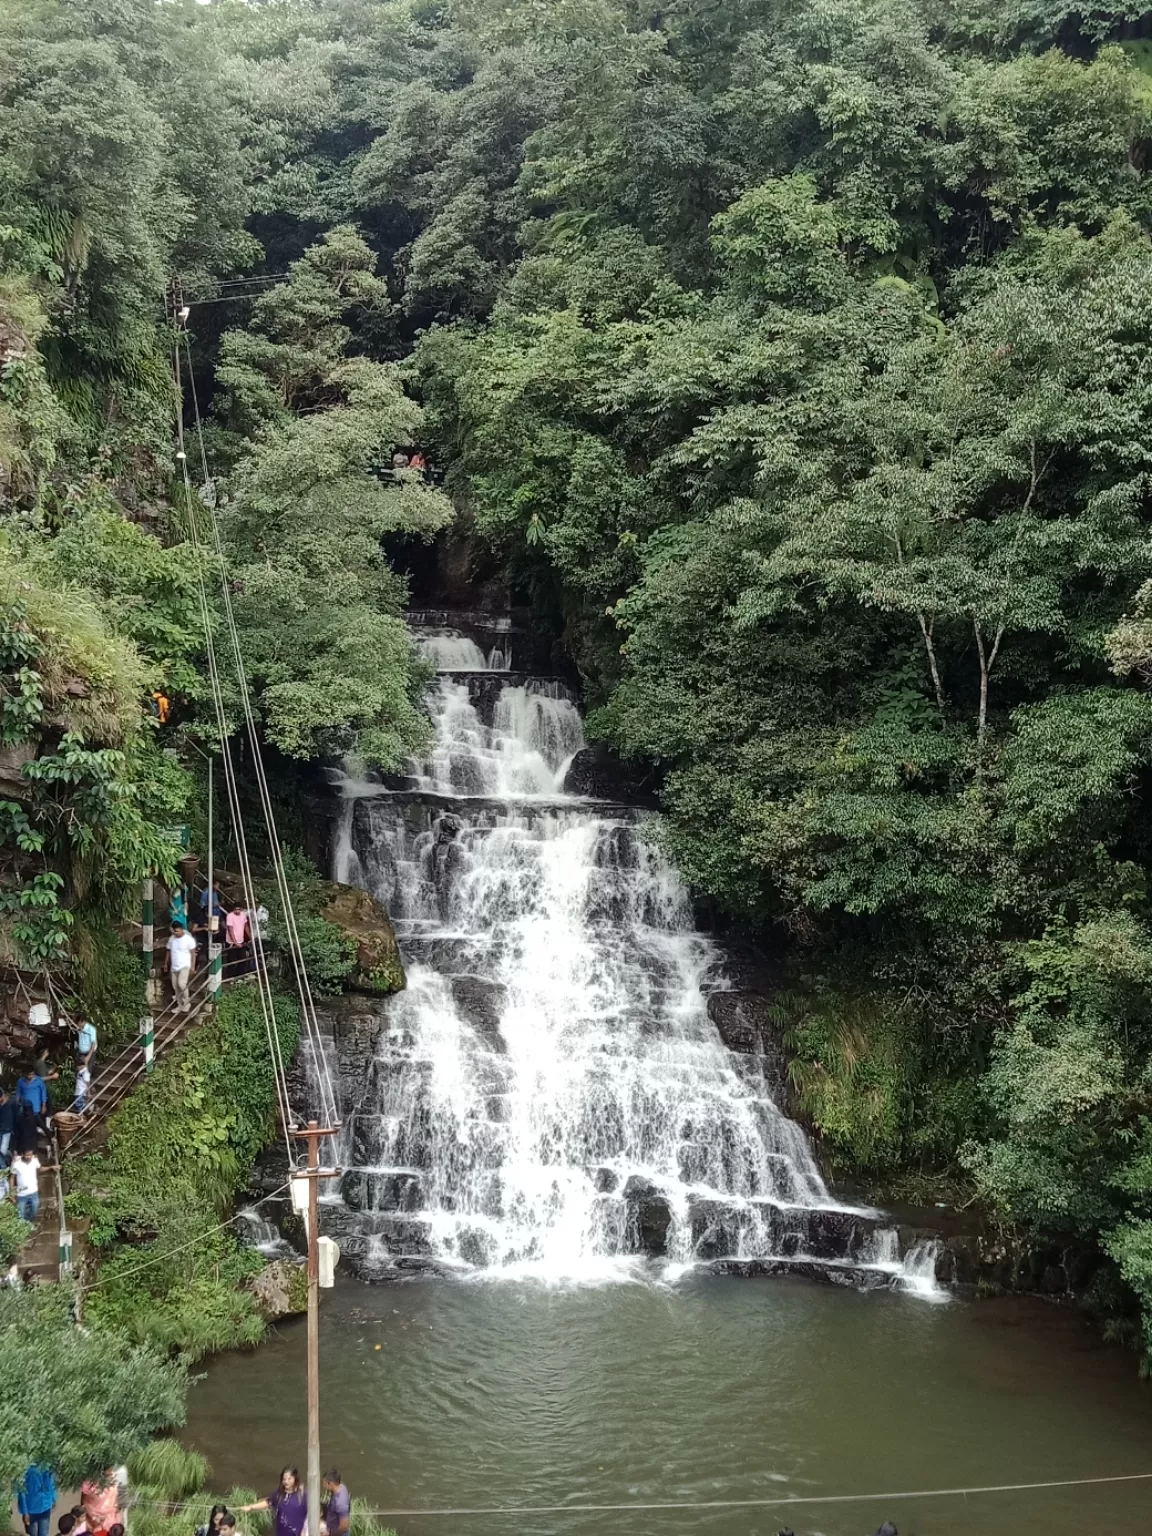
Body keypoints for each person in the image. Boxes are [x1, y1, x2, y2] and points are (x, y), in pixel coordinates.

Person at [240, 1467, 307, 1536]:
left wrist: (305, 1530)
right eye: (284, 1479)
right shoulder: (279, 1494)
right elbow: (268, 1502)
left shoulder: (303, 1495)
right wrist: (251, 1507)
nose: (286, 1482)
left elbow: (310, 1514)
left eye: (289, 1479)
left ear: (295, 1478)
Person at [12, 1146, 55, 1222]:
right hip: (21, 1194)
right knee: (21, 1213)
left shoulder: (35, 1161)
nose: (29, 1157)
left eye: (30, 1155)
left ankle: (29, 1223)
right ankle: (23, 1228)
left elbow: (40, 1169)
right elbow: (12, 1178)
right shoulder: (16, 1164)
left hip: (33, 1192)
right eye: (27, 1155)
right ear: (22, 1154)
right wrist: (12, 1192)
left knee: (34, 1211)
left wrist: (51, 1167)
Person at [17, 1463, 57, 1536]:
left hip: (46, 1506)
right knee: (33, 1533)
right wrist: (25, 1512)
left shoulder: (47, 1464)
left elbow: (52, 1483)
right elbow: (21, 1493)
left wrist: (54, 1499)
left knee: (44, 1533)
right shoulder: (25, 1469)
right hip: (31, 1510)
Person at [166, 920, 198, 1011]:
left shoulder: (188, 939)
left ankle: (187, 1002)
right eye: (174, 931)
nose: (176, 933)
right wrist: (166, 963)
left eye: (177, 931)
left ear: (181, 929)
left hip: (185, 965)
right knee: (175, 987)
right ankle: (179, 1005)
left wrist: (193, 966)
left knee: (181, 984)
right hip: (174, 966)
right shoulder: (172, 939)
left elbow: (193, 953)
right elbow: (168, 950)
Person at [15, 1066, 49, 1148]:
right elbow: (18, 1094)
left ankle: (51, 1138)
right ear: (25, 1074)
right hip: (25, 1109)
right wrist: (16, 1104)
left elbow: (43, 1093)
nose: (30, 1076)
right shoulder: (20, 1081)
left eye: (32, 1074)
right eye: (29, 1075)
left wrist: (44, 1105)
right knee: (26, 1127)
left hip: (36, 1108)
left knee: (42, 1125)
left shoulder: (39, 1081)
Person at [320, 1471, 350, 1536]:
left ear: (330, 1484)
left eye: (324, 1484)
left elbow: (344, 1527)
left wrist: (329, 1533)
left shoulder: (340, 1503)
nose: (323, 1486)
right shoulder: (341, 1486)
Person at [0, 1084, 14, 1165]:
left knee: (3, 1151)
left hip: (7, 1131)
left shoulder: (11, 1103)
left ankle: (10, 1155)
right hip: (1, 1130)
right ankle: (3, 1166)